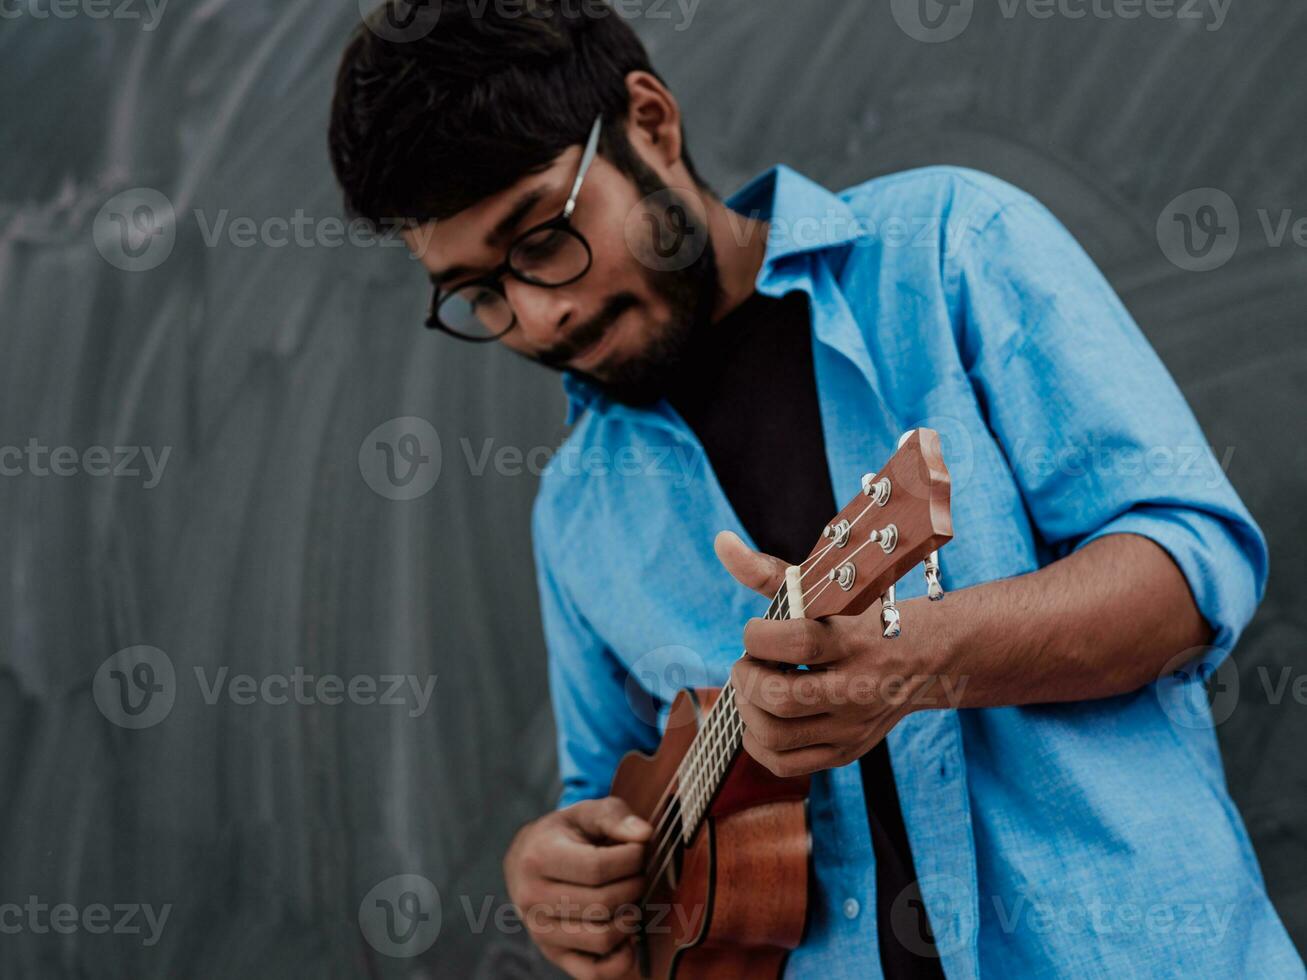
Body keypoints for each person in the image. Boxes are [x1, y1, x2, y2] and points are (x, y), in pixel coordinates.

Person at [328, 3, 1302, 977]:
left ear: (650, 124)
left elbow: (1192, 572)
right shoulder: (576, 509)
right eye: (478, 293)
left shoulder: (951, 244)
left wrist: (921, 656)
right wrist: (556, 875)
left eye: (542, 236)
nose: (538, 316)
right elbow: (612, 807)